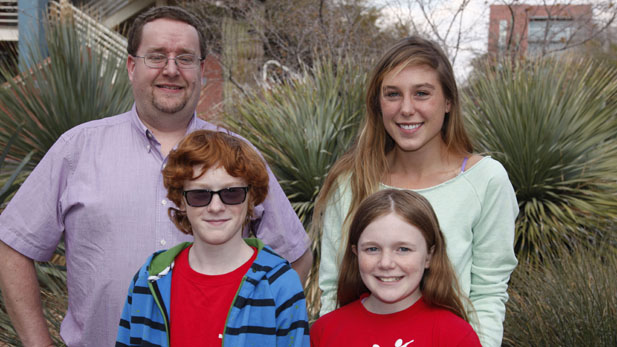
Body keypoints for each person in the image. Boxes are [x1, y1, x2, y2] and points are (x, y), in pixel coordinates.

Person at [0, 6, 311, 347]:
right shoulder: (77, 150)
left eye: (186, 58)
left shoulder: (237, 157)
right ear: (132, 66)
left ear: (202, 70)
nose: (172, 70)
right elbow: (13, 244)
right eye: (157, 56)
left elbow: (294, 255)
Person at [314, 36, 518, 347]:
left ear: (448, 101)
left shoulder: (486, 180)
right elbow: (332, 289)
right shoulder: (351, 180)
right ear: (377, 104)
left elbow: (489, 291)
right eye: (392, 94)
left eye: (422, 93)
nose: (406, 109)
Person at [116, 130, 309, 346]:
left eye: (231, 193)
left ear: (251, 198)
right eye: (200, 195)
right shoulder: (149, 279)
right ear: (181, 201)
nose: (216, 207)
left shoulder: (280, 284)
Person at [311, 189, 481, 346]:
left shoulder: (456, 336)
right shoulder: (324, 332)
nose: (386, 263)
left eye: (403, 249)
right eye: (372, 249)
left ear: (429, 255)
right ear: (356, 253)